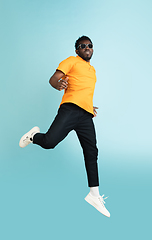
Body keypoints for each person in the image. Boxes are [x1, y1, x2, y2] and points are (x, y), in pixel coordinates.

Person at [19, 36, 110, 217]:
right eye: (82, 46)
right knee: (49, 142)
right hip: (69, 110)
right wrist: (58, 84)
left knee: (92, 152)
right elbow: (53, 79)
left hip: (85, 116)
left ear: (93, 49)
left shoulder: (93, 70)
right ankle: (33, 136)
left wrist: (88, 105)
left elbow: (83, 90)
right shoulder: (71, 61)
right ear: (77, 50)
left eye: (89, 45)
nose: (86, 48)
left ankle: (94, 195)